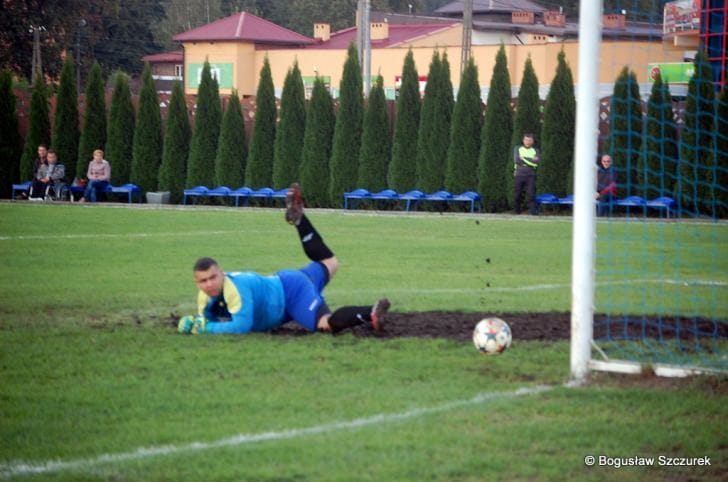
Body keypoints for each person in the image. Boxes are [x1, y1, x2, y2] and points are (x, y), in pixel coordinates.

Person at [178, 183, 390, 335]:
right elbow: (207, 321)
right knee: (330, 263)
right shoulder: (204, 298)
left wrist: (205, 328)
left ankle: (369, 313)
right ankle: (300, 221)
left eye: (213, 277)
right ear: (196, 283)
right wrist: (195, 323)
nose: (209, 284)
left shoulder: (235, 290)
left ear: (222, 273)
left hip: (291, 294)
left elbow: (240, 327)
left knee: (324, 324)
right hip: (286, 281)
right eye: (203, 281)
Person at [513, 133, 540, 215]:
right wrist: (530, 160)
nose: (527, 142)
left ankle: (532, 213)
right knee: (517, 194)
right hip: (519, 173)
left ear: (532, 141)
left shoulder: (535, 150)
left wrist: (523, 158)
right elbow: (517, 160)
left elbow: (536, 163)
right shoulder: (518, 148)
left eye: (529, 140)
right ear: (523, 140)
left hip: (530, 174)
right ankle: (517, 212)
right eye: (526, 140)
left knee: (531, 194)